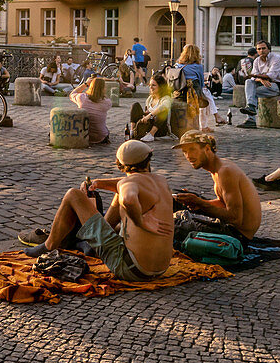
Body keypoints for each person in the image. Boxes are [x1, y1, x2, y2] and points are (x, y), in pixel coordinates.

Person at [22, 140, 174, 282]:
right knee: (118, 193)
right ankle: (94, 245)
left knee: (73, 195)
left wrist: (141, 221)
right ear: (148, 160)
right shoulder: (161, 181)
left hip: (130, 269)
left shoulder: (128, 184)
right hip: (158, 269)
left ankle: (48, 246)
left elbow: (128, 199)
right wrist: (99, 183)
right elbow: (127, 184)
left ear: (120, 166)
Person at [172, 130, 262, 243]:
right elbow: (222, 203)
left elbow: (235, 218)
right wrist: (195, 202)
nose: (188, 156)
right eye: (185, 152)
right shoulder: (217, 168)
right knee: (176, 198)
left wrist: (200, 203)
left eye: (192, 149)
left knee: (173, 225)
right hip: (232, 226)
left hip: (237, 235)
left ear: (207, 149)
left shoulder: (225, 171)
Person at [241, 40, 280, 117]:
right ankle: (251, 109)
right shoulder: (256, 60)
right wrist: (260, 79)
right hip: (264, 84)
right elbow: (253, 77)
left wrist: (256, 76)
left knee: (251, 92)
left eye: (263, 48)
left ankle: (250, 119)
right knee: (248, 82)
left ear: (269, 49)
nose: (261, 50)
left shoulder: (276, 58)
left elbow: (271, 75)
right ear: (256, 51)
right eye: (259, 49)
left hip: (278, 85)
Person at [130, 74, 174, 141]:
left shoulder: (166, 98)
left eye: (153, 85)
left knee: (162, 112)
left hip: (159, 129)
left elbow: (164, 107)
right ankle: (132, 131)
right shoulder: (150, 98)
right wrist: (145, 115)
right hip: (148, 125)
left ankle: (151, 134)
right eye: (150, 85)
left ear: (161, 87)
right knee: (135, 105)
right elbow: (147, 111)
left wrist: (150, 115)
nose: (150, 87)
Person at [70, 77, 111, 144]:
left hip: (83, 135)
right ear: (104, 88)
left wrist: (85, 84)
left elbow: (72, 94)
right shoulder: (107, 102)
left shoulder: (82, 97)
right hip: (100, 137)